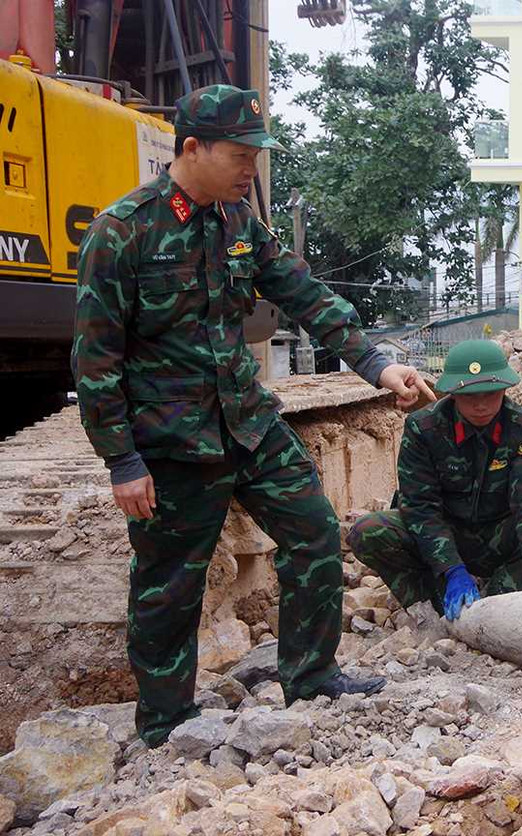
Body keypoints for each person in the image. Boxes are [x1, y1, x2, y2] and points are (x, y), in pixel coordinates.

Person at [73, 84, 434, 747]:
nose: (251, 170)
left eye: (256, 156)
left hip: (249, 424)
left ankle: (312, 674)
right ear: (192, 148)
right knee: (168, 585)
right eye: (240, 155)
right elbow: (96, 362)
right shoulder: (122, 233)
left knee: (316, 534)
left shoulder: (240, 224)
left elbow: (306, 296)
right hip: (172, 446)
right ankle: (165, 722)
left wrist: (379, 367)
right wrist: (122, 460)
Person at [348, 339, 522, 620]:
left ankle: (501, 593)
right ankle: (431, 603)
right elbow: (420, 507)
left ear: (505, 388)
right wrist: (451, 568)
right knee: (367, 531)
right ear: (453, 392)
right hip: (448, 534)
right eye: (470, 395)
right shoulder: (424, 429)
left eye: (490, 393)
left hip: (501, 534)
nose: (481, 405)